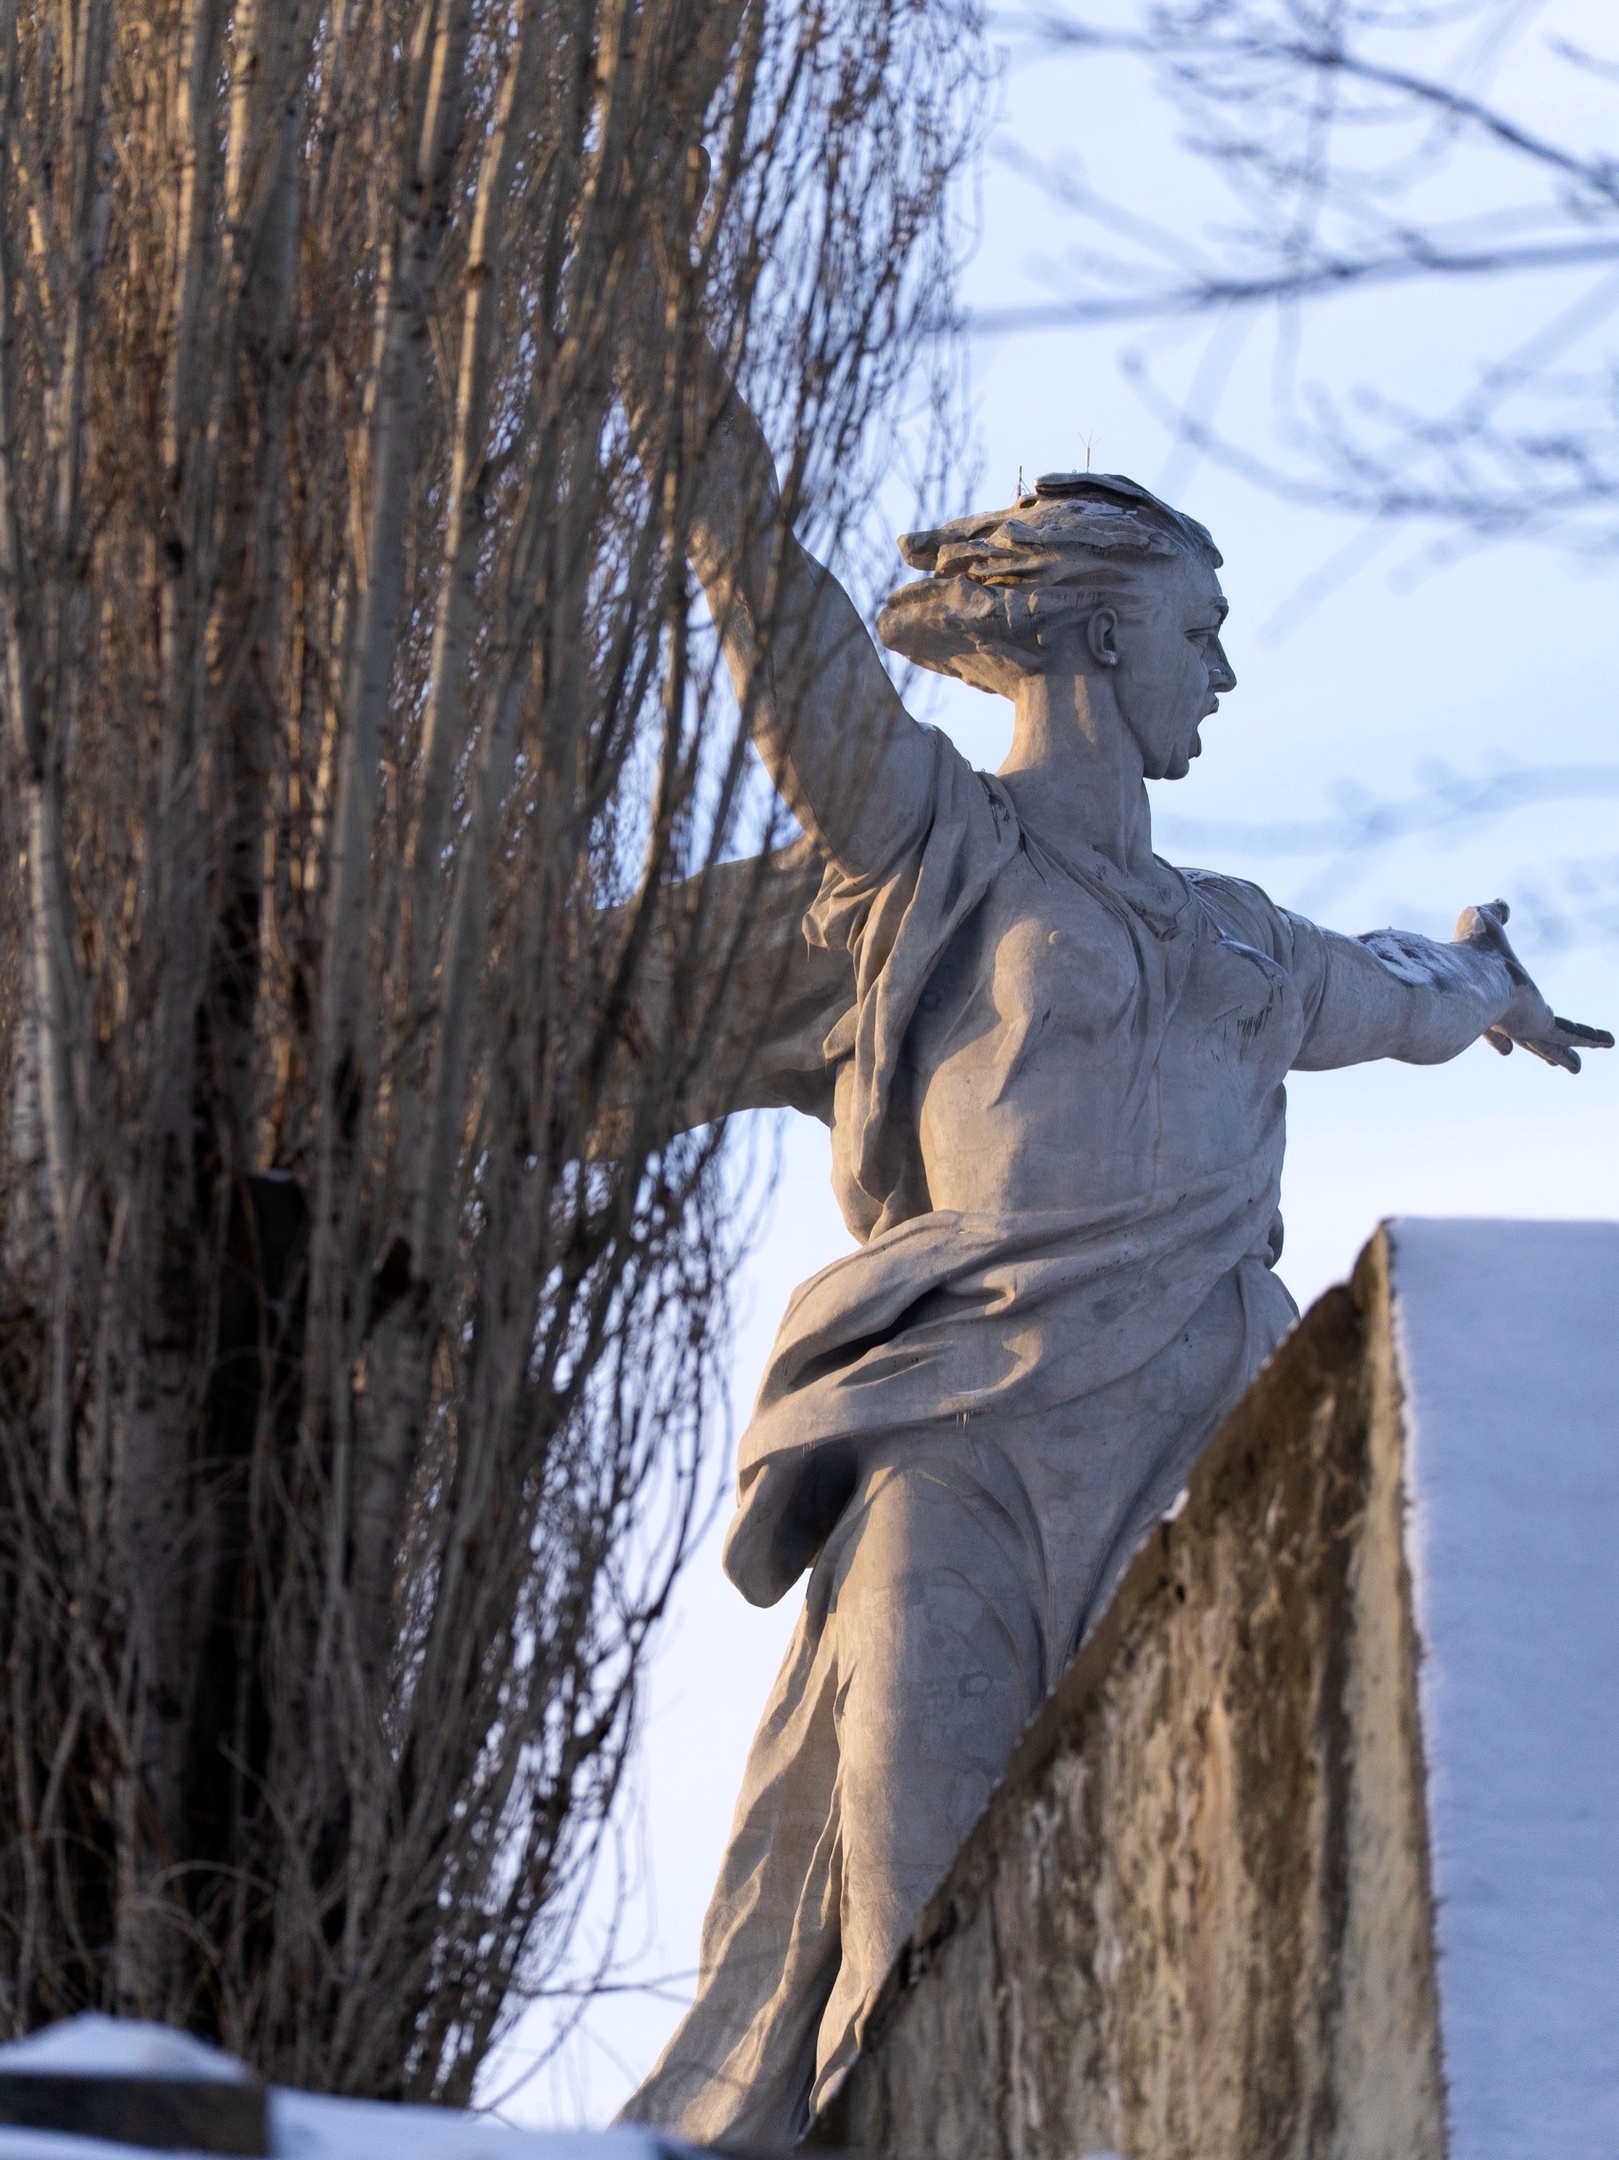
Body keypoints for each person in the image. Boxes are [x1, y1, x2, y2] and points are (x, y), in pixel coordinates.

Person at [618, 386, 1611, 2147]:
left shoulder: (1245, 937)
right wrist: (682, 403)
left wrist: (1486, 986)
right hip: (964, 1451)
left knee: (1209, 1909)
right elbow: (796, 651)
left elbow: (1402, 991)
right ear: (1095, 634)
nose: (1221, 675)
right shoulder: (944, 850)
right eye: (1198, 632)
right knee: (912, 1940)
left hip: (1194, 1437)